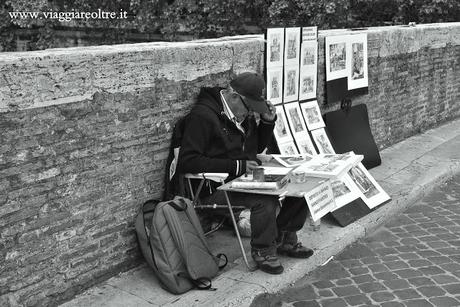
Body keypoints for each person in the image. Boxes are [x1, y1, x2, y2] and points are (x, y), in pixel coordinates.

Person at [177, 72, 313, 275]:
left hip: (240, 180)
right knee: (265, 200)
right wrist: (237, 167)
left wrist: (267, 122)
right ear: (233, 97)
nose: (250, 114)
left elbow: (253, 148)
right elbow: (187, 161)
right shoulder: (203, 116)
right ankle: (263, 250)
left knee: (302, 183)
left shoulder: (240, 113)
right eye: (249, 108)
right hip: (213, 187)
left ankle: (284, 237)